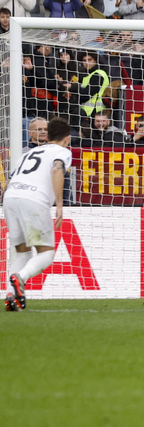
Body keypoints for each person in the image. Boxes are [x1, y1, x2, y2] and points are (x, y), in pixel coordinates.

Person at [4, 117, 72, 312]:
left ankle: (11, 295)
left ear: (47, 135)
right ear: (67, 139)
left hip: (10, 198)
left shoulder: (28, 153)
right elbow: (57, 169)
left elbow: (11, 179)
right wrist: (59, 205)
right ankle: (20, 279)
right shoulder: (62, 152)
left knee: (22, 251)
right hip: (33, 200)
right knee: (47, 254)